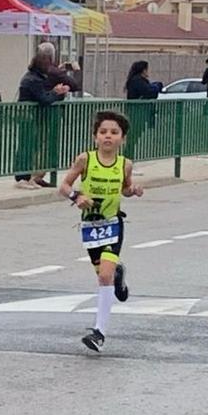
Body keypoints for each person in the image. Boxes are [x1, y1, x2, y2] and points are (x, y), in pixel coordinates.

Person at [61, 110, 143, 353]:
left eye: (114, 133)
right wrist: (77, 196)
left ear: (123, 138)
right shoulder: (85, 160)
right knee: (105, 273)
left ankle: (99, 332)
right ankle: (118, 273)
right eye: (103, 132)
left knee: (103, 277)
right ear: (95, 137)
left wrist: (134, 190)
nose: (108, 137)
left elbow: (125, 189)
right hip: (90, 226)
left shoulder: (125, 164)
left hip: (113, 224)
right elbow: (64, 186)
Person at [14, 43, 70, 186]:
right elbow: (45, 99)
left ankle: (35, 175)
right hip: (30, 117)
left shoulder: (37, 77)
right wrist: (56, 93)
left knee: (37, 145)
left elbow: (47, 96)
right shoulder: (33, 79)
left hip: (35, 117)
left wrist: (56, 93)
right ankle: (23, 177)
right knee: (28, 145)